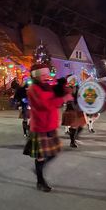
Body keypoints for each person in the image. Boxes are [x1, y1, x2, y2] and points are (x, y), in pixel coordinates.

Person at [25, 63, 73, 192]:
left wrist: (65, 88)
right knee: (40, 156)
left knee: (53, 152)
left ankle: (38, 169)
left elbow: (56, 96)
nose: (48, 76)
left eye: (48, 74)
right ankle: (40, 182)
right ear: (37, 76)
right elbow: (45, 105)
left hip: (50, 125)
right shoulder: (33, 89)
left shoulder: (47, 86)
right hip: (40, 127)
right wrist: (63, 99)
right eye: (44, 75)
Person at [61, 75, 86, 148]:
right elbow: (65, 98)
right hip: (71, 108)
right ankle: (72, 141)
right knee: (74, 126)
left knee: (81, 125)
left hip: (78, 108)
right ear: (69, 80)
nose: (75, 80)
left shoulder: (78, 87)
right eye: (73, 79)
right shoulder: (67, 88)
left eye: (75, 79)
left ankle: (74, 136)